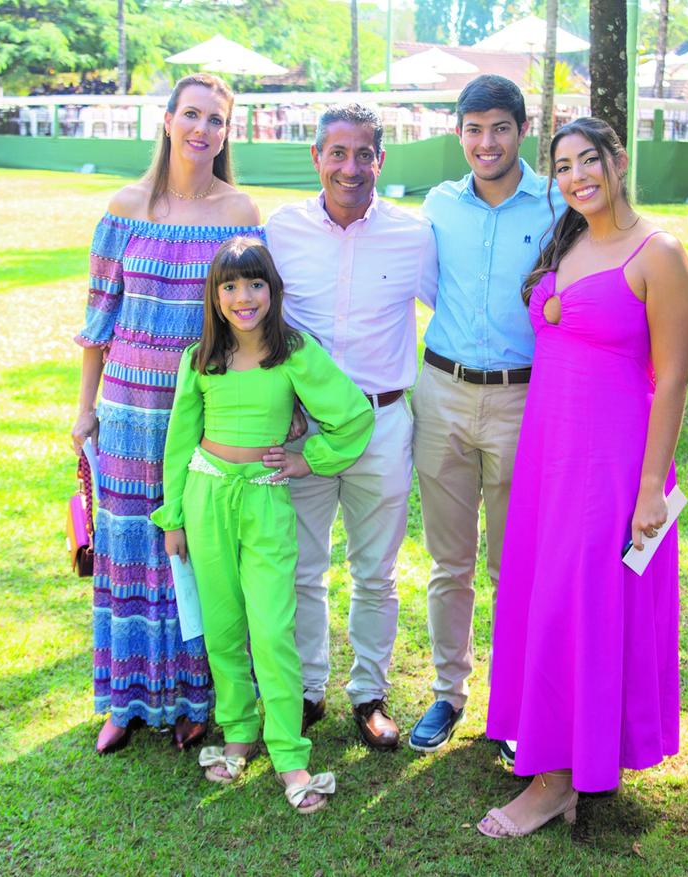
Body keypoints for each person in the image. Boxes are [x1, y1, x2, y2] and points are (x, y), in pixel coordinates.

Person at [480, 117, 688, 838]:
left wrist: (646, 490)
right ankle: (559, 757)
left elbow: (670, 381)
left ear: (620, 159)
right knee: (544, 598)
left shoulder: (658, 254)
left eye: (589, 161)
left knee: (579, 608)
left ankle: (554, 782)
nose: (577, 176)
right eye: (564, 165)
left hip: (611, 464)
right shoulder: (568, 240)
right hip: (550, 456)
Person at [71, 73, 263, 755]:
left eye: (216, 119)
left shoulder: (240, 210)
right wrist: (84, 409)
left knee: (196, 553)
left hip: (202, 411)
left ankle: (192, 697)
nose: (201, 129)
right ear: (167, 120)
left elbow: (254, 316)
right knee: (129, 553)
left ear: (226, 131)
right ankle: (124, 699)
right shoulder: (125, 207)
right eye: (191, 114)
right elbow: (98, 320)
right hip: (126, 407)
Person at [152, 237, 374, 812]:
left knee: (272, 629)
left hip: (266, 501)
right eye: (230, 286)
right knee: (223, 628)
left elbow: (352, 416)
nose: (243, 297)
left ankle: (290, 754)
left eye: (255, 284)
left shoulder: (292, 353)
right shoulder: (200, 358)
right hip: (205, 499)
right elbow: (179, 444)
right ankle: (239, 732)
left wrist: (309, 459)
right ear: (215, 295)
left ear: (273, 290)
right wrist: (174, 515)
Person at [266, 104, 438, 750]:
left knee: (376, 572)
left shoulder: (413, 235)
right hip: (304, 430)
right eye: (337, 153)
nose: (350, 166)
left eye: (363, 153)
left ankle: (369, 691)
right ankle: (308, 690)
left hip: (382, 422)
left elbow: (451, 310)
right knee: (303, 568)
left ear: (380, 161)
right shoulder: (281, 231)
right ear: (316, 158)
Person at [409, 75, 557, 760]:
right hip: (440, 392)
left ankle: (516, 706)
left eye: (498, 127)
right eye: (472, 128)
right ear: (458, 132)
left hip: (523, 399)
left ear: (521, 130)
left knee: (513, 562)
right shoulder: (438, 204)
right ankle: (448, 690)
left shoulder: (558, 205)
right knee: (450, 559)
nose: (485, 142)